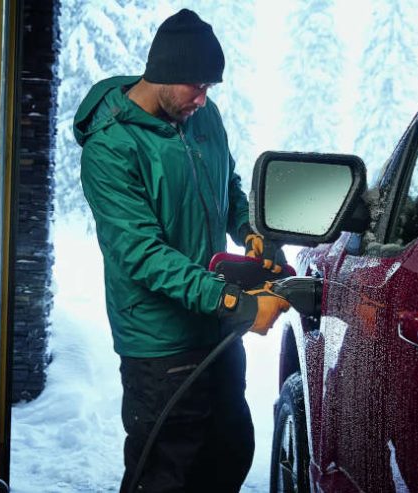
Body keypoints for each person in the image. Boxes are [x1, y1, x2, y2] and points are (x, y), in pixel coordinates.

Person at [73, 8, 290, 492]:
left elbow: (227, 184)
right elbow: (142, 254)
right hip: (160, 344)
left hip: (213, 324)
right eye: (196, 85)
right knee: (166, 475)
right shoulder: (110, 148)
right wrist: (238, 304)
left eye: (210, 87)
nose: (204, 98)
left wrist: (247, 229)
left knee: (229, 451)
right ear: (164, 73)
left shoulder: (202, 115)